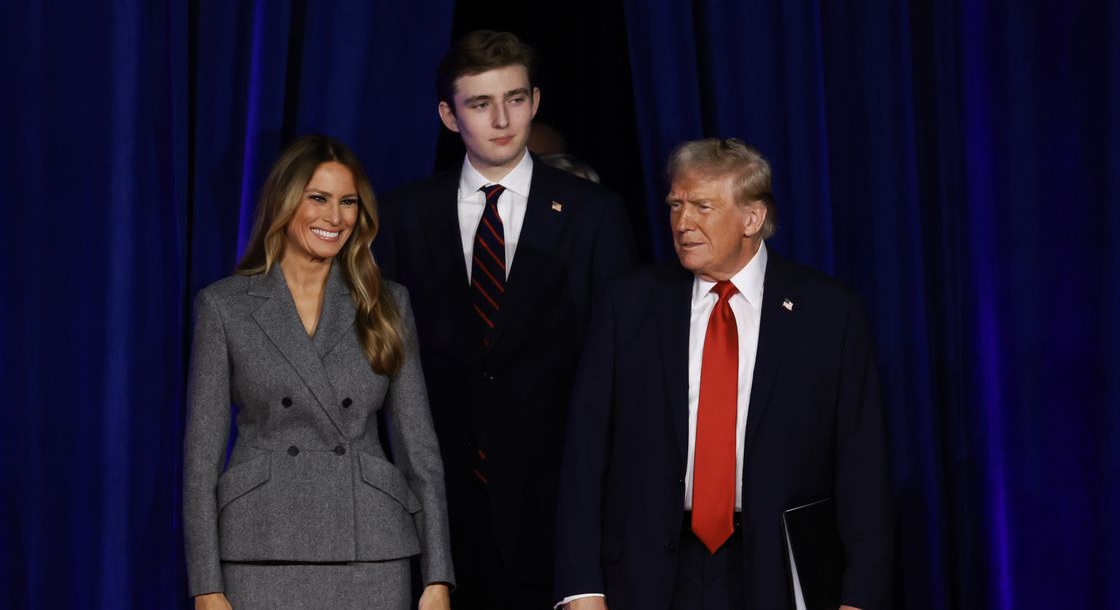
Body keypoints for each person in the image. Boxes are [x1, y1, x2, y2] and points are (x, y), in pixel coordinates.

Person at [555, 138, 892, 609]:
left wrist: (860, 597)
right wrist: (581, 586)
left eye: (702, 207)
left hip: (775, 571)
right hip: (650, 574)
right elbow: (585, 453)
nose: (682, 223)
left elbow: (863, 466)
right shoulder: (627, 304)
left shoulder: (829, 314)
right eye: (675, 205)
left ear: (752, 219)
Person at [374, 30, 637, 609]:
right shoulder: (402, 214)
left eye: (515, 99)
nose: (502, 119)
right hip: (436, 514)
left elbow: (619, 366)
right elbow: (384, 358)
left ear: (535, 102)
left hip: (554, 511)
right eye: (479, 103)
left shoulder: (595, 214)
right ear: (448, 115)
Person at [183, 135, 454, 610]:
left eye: (348, 202)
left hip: (371, 549)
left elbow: (420, 449)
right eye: (319, 199)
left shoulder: (387, 303)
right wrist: (206, 586)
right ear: (285, 203)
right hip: (260, 547)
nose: (335, 217)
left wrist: (438, 576)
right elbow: (200, 461)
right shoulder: (224, 306)